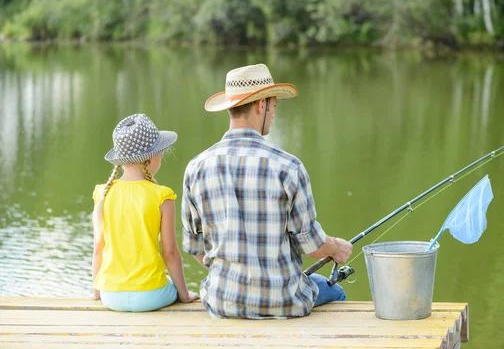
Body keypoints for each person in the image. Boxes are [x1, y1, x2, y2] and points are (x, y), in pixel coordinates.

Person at [181, 64, 353, 319]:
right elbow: (313, 246)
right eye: (274, 106)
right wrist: (337, 247)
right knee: (336, 292)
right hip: (284, 302)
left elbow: (195, 248)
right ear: (261, 105)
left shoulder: (196, 167)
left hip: (221, 301)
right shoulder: (288, 167)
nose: (273, 115)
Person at [91, 113, 199, 312]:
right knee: (167, 282)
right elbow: (171, 253)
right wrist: (184, 295)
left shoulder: (103, 193)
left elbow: (99, 247)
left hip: (111, 296)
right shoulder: (162, 196)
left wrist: (97, 292)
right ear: (150, 159)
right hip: (150, 296)